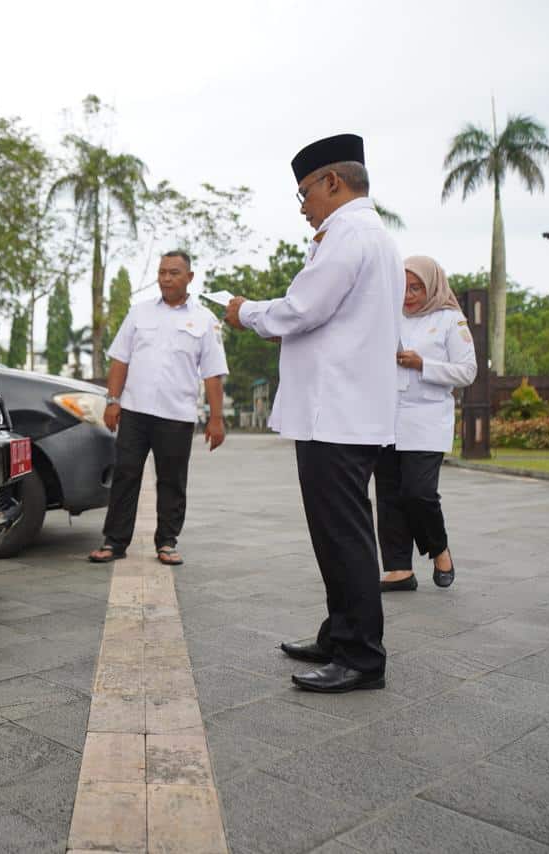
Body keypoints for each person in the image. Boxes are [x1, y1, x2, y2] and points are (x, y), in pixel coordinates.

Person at [224, 133, 403, 694]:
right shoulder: (365, 236)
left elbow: (302, 309)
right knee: (334, 532)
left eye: (304, 192)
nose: (303, 206)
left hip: (338, 414)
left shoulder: (350, 235)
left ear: (333, 181)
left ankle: (361, 657)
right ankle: (340, 633)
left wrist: (244, 311)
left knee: (343, 534)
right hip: (342, 410)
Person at [88, 250, 228, 567]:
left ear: (189, 277)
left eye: (174, 272)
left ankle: (167, 542)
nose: (166, 278)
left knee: (172, 480)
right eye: (162, 272)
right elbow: (120, 360)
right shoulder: (138, 313)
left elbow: (213, 373)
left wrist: (216, 420)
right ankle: (114, 541)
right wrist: (112, 401)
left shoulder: (205, 320)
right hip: (135, 412)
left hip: (176, 416)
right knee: (125, 475)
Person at [378, 255, 477, 592]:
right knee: (389, 494)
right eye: (404, 287)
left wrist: (424, 364)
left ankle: (439, 548)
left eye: (416, 287)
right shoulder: (389, 317)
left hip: (427, 419)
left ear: (432, 285)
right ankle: (398, 568)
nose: (408, 296)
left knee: (418, 493)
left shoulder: (450, 319)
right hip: (387, 417)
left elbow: (467, 371)